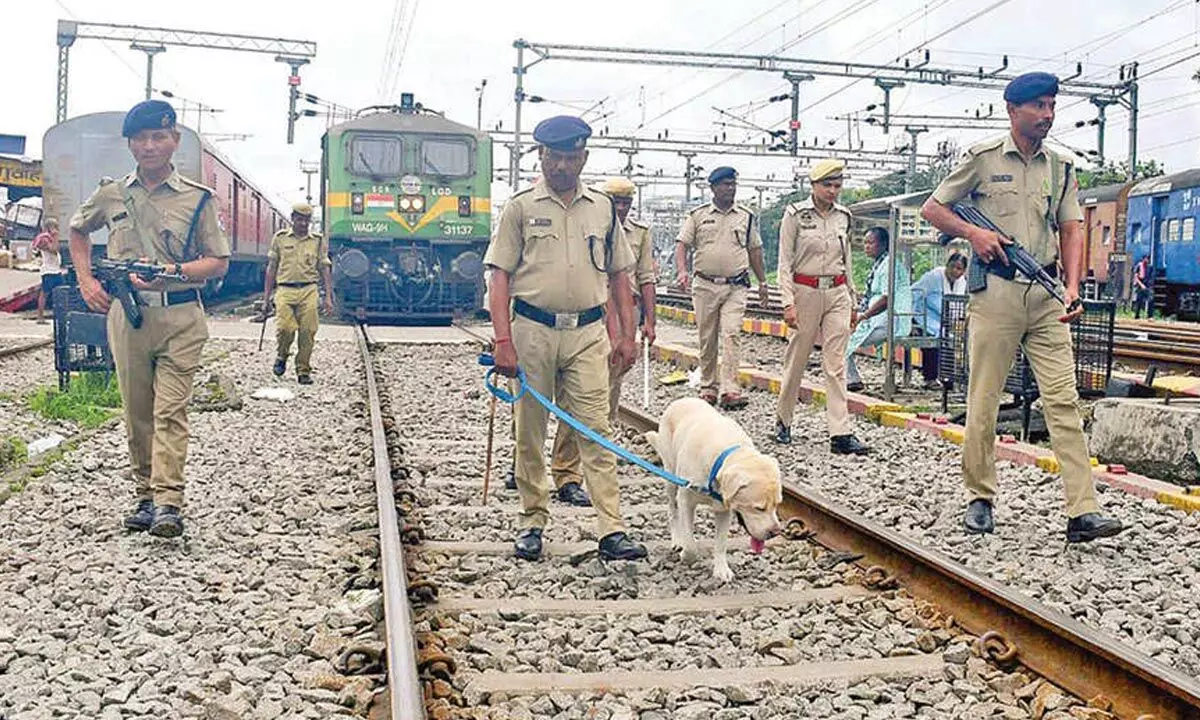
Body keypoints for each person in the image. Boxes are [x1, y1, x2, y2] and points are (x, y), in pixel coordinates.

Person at [920, 72, 1124, 543]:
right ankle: (980, 498)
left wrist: (1072, 287)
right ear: (1012, 111)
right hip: (996, 294)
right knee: (985, 398)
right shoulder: (982, 160)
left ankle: (1082, 510)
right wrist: (974, 234)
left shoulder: (1060, 167)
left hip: (1046, 293)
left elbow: (1072, 227)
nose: (1047, 114)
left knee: (1063, 400)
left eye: (1052, 105)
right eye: (1038, 106)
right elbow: (935, 208)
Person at [484, 115, 647, 562]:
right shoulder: (519, 207)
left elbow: (619, 275)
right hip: (532, 329)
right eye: (553, 156)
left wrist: (626, 336)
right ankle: (532, 520)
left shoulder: (602, 209)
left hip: (588, 334)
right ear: (541, 156)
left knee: (595, 427)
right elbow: (499, 275)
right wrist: (503, 340)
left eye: (570, 157)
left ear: (583, 158)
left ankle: (611, 529)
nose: (561, 165)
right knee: (530, 431)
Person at [68, 99, 230, 538]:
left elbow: (217, 261)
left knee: (170, 412)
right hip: (128, 319)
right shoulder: (112, 194)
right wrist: (86, 280)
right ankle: (144, 495)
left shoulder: (198, 199)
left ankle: (168, 503)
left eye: (159, 137)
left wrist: (172, 274)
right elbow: (77, 229)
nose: (150, 145)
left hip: (180, 319)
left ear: (174, 140)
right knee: (137, 412)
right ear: (130, 144)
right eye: (141, 138)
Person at [550, 177, 657, 501]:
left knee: (605, 396)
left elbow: (645, 278)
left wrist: (647, 322)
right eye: (616, 201)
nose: (621, 208)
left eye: (626, 202)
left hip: (625, 316)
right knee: (573, 398)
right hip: (590, 319)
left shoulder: (640, 234)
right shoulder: (585, 224)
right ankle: (555, 467)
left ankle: (585, 459)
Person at [773, 158, 869, 455]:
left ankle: (840, 433)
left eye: (837, 185)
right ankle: (783, 420)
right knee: (797, 359)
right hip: (805, 291)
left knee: (836, 363)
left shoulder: (844, 216)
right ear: (813, 186)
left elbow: (847, 261)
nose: (833, 191)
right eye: (827, 185)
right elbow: (784, 263)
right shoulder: (796, 215)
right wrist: (788, 302)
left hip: (837, 290)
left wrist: (852, 300)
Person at [675, 167, 768, 410]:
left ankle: (730, 389)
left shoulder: (746, 217)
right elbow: (682, 245)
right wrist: (682, 271)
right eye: (725, 184)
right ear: (713, 188)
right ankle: (708, 386)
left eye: (733, 184)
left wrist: (763, 282)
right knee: (707, 338)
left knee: (731, 334)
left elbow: (755, 251)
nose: (730, 188)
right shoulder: (698, 216)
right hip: (705, 285)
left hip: (735, 286)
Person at [260, 203, 333, 384]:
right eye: (299, 219)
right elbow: (271, 268)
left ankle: (303, 370)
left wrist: (329, 298)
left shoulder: (317, 240)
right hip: (285, 289)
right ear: (292, 218)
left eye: (306, 220)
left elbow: (324, 268)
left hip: (309, 289)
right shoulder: (280, 238)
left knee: (308, 331)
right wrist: (266, 297)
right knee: (285, 328)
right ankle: (282, 355)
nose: (303, 224)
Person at [845, 226, 913, 393]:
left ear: (883, 244)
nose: (866, 246)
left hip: (890, 319)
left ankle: (851, 379)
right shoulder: (881, 263)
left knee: (841, 340)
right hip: (878, 318)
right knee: (842, 336)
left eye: (871, 243)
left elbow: (886, 299)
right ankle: (850, 378)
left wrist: (864, 316)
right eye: (865, 243)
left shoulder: (890, 266)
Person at [911, 251, 968, 387]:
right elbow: (913, 293)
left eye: (959, 268)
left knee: (950, 340)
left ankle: (948, 378)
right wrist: (911, 319)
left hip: (943, 320)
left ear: (964, 271)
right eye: (952, 266)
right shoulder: (933, 277)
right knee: (935, 340)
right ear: (947, 265)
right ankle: (930, 378)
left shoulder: (961, 282)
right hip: (923, 316)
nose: (955, 271)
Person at [31, 218, 64, 324]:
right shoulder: (44, 239)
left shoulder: (50, 238)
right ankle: (40, 317)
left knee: (60, 292)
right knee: (45, 293)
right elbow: (53, 249)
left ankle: (59, 315)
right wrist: (55, 237)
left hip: (56, 270)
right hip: (49, 271)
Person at [1132, 254, 1152, 319]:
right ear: (1143, 259)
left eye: (1148, 259)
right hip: (1140, 285)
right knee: (1139, 301)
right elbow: (1136, 277)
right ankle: (1137, 315)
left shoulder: (1149, 267)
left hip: (1146, 285)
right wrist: (1141, 285)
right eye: (1146, 258)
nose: (1147, 260)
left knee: (1151, 299)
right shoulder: (1139, 266)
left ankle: (1150, 316)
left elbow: (1149, 277)